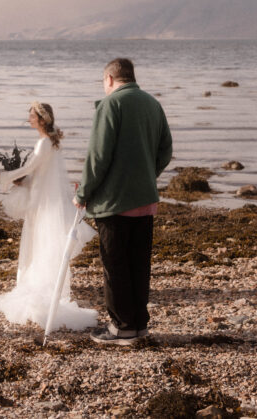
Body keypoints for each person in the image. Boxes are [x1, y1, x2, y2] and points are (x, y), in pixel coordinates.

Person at [75, 58, 173, 345]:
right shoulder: (152, 103)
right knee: (138, 264)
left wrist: (83, 193)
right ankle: (138, 325)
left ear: (109, 79)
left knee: (115, 266)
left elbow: (98, 156)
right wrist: (147, 174)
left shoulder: (110, 105)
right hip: (144, 200)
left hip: (114, 202)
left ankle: (121, 329)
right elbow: (165, 149)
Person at [0, 102, 97, 330]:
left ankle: (38, 288)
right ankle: (40, 283)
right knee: (40, 243)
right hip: (43, 200)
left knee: (38, 242)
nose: (29, 118)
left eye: (32, 115)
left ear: (42, 119)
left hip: (42, 204)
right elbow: (41, 174)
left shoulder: (43, 144)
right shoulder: (50, 142)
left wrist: (5, 176)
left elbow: (28, 170)